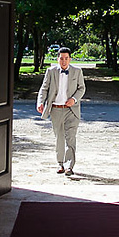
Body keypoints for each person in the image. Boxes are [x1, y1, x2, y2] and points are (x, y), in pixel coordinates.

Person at [36, 47, 86, 175]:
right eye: (61, 58)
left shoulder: (77, 71)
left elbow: (82, 88)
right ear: (58, 59)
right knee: (59, 138)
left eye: (66, 58)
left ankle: (70, 166)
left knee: (71, 137)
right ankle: (60, 164)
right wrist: (40, 102)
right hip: (56, 109)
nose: (64, 61)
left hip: (71, 110)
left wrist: (74, 99)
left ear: (70, 59)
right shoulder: (51, 71)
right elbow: (44, 88)